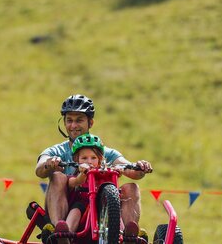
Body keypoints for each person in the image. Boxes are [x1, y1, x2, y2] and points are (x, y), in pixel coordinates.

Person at [35, 94, 153, 240]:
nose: (73, 126)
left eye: (79, 120)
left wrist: (140, 168)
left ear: (90, 123)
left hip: (103, 210)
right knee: (58, 176)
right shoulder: (56, 151)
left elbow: (130, 170)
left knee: (132, 188)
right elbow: (39, 169)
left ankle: (129, 236)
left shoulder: (103, 152)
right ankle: (60, 232)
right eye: (69, 120)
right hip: (72, 208)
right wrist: (49, 164)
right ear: (64, 122)